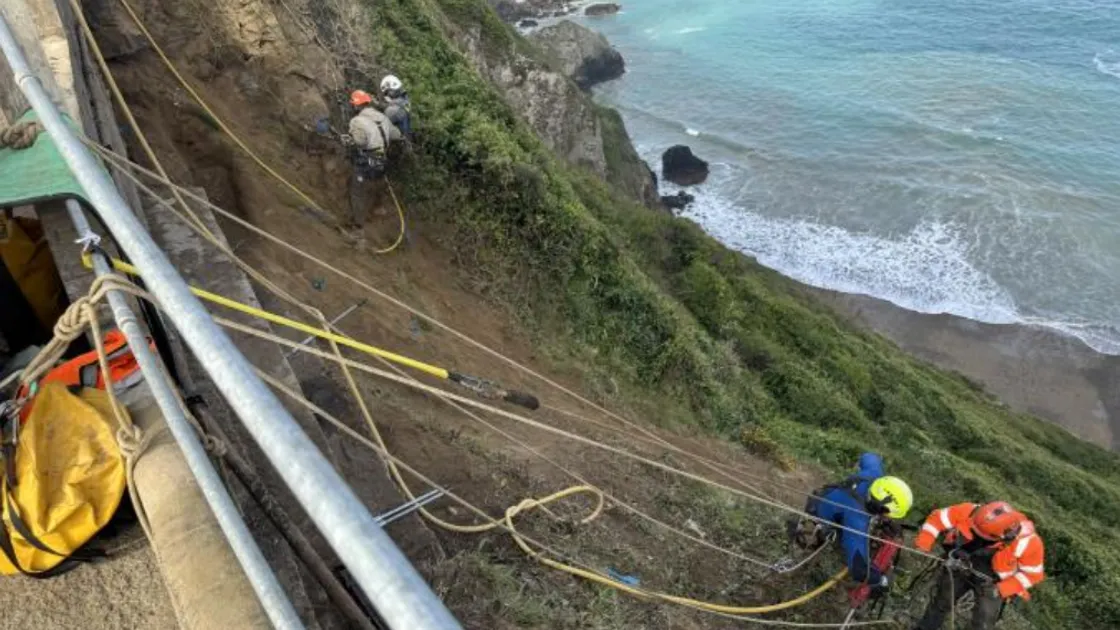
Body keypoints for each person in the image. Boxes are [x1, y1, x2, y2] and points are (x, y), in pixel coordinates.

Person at [911, 501, 1045, 630]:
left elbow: (1033, 575)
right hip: (961, 564)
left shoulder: (1029, 543)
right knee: (942, 601)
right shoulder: (970, 511)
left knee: (983, 622)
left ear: (1004, 536)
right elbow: (937, 519)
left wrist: (1001, 589)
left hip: (993, 583)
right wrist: (923, 544)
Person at [803, 453, 914, 591]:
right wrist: (881, 580)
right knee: (844, 541)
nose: (889, 518)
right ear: (879, 507)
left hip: (825, 495)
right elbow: (859, 570)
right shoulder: (857, 521)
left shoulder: (874, 475)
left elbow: (870, 457)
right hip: (819, 514)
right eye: (888, 515)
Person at [344, 89, 403, 227]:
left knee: (356, 190)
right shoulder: (383, 117)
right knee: (377, 182)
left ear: (356, 105)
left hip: (367, 161)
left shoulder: (357, 121)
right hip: (382, 161)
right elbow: (397, 135)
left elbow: (360, 142)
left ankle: (358, 226)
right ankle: (378, 208)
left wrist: (348, 140)